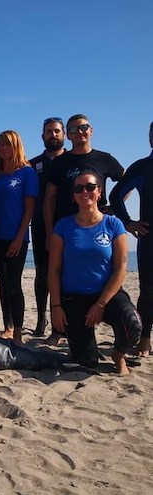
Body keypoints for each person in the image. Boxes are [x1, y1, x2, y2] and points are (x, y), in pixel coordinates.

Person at [48, 170, 142, 375]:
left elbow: (120, 268)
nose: (85, 192)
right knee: (87, 362)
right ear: (73, 195)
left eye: (90, 187)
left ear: (99, 192)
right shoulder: (63, 226)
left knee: (133, 323)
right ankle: (85, 348)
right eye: (79, 188)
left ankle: (118, 355)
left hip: (106, 295)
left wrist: (100, 304)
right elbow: (54, 270)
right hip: (74, 298)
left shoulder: (113, 224)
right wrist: (55, 306)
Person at [43, 113, 124, 344]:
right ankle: (58, 331)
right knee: (59, 274)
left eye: (83, 128)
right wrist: (49, 230)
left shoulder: (104, 159)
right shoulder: (59, 162)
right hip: (65, 229)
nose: (79, 132)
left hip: (97, 227)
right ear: (68, 135)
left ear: (91, 130)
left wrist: (113, 206)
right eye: (74, 129)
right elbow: (49, 198)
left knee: (101, 272)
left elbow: (125, 182)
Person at [0, 131, 38, 344]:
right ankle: (7, 326)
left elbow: (29, 209)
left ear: (16, 146)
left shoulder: (27, 173)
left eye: (8, 144)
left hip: (17, 237)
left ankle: (17, 331)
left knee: (14, 284)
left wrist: (19, 237)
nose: (4, 148)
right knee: (2, 283)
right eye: (0, 144)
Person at [110, 121, 153, 357]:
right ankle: (145, 338)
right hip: (149, 237)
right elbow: (116, 195)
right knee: (148, 291)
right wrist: (127, 222)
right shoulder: (144, 167)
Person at [29, 117, 66, 337]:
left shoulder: (72, 160)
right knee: (42, 273)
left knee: (64, 274)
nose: (53, 135)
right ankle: (41, 319)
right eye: (49, 132)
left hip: (69, 225)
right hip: (41, 225)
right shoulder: (32, 165)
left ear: (63, 135)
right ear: (42, 136)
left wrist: (105, 206)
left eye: (57, 131)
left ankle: (59, 322)